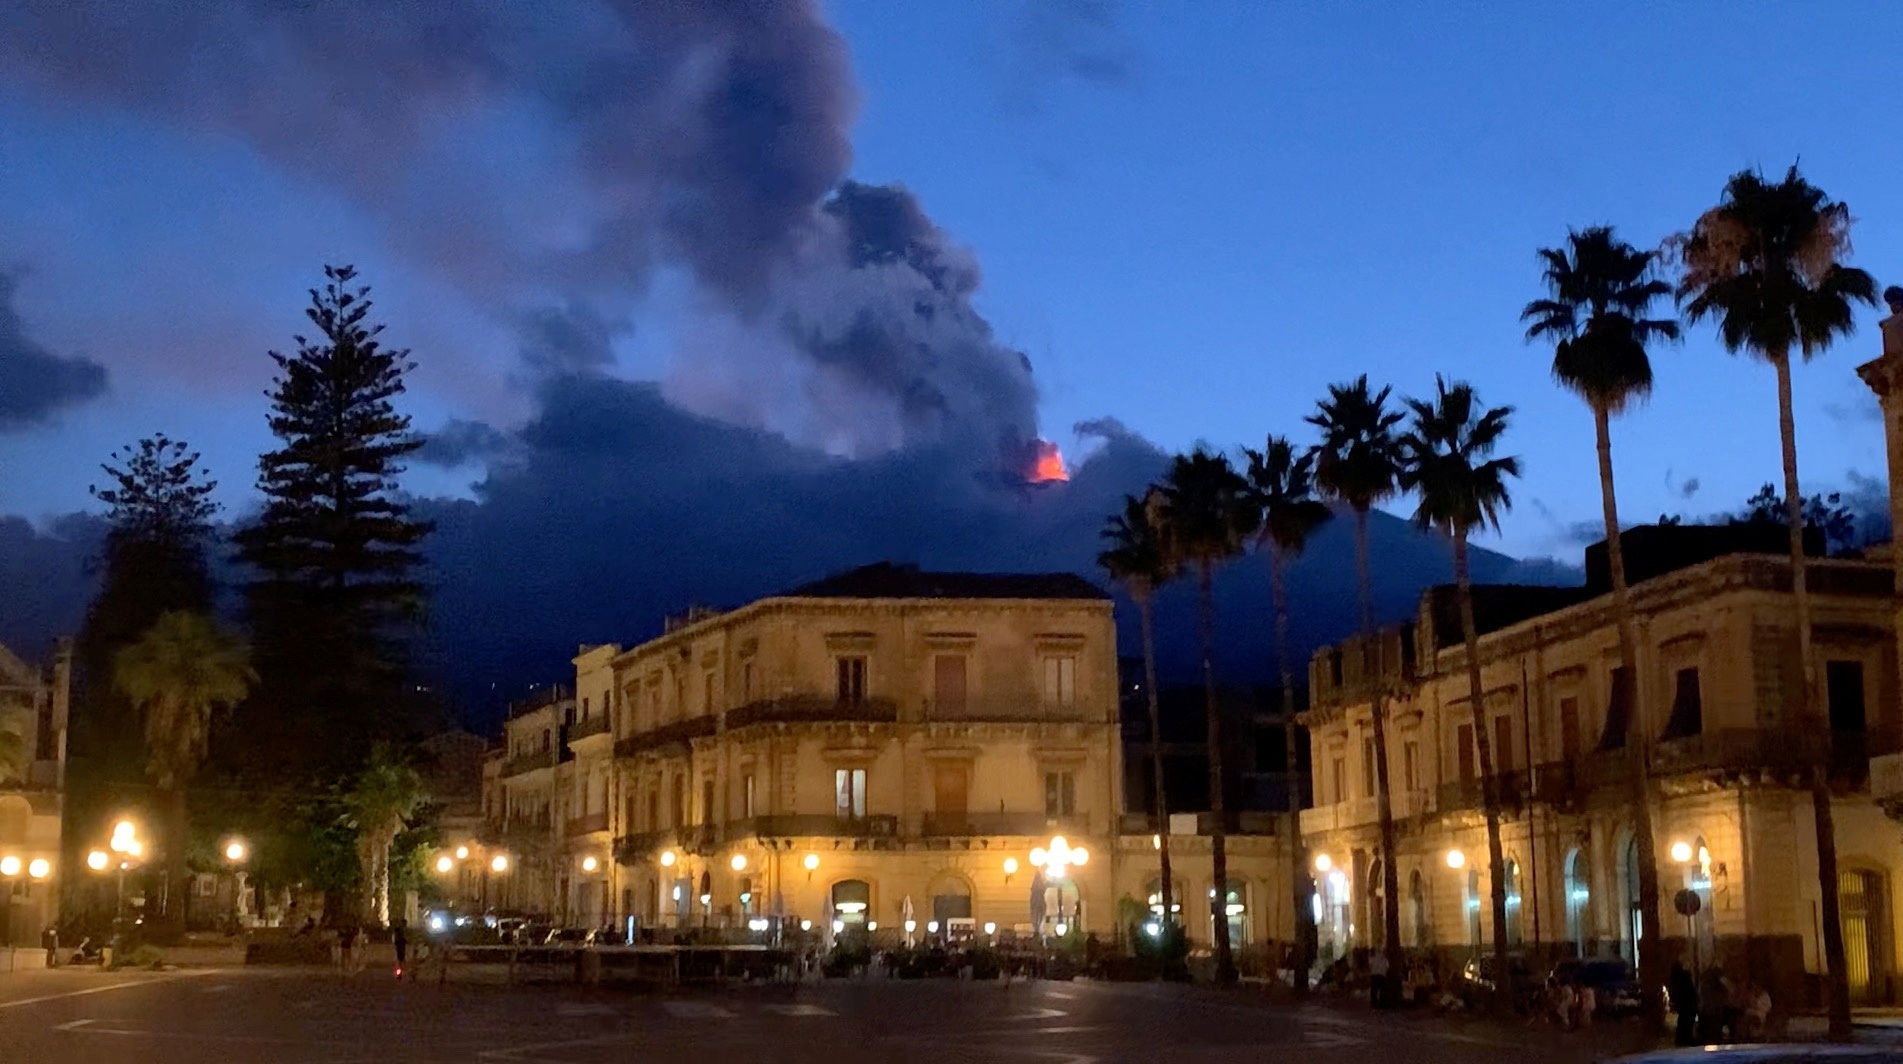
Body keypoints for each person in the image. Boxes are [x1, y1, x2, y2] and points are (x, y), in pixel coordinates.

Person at [1670, 959, 1700, 1046]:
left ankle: (1682, 1039)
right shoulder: (1684, 977)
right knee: (1687, 1021)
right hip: (1688, 1004)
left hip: (1683, 1004)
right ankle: (1686, 1039)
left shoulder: (1675, 979)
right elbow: (1690, 990)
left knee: (1683, 1020)